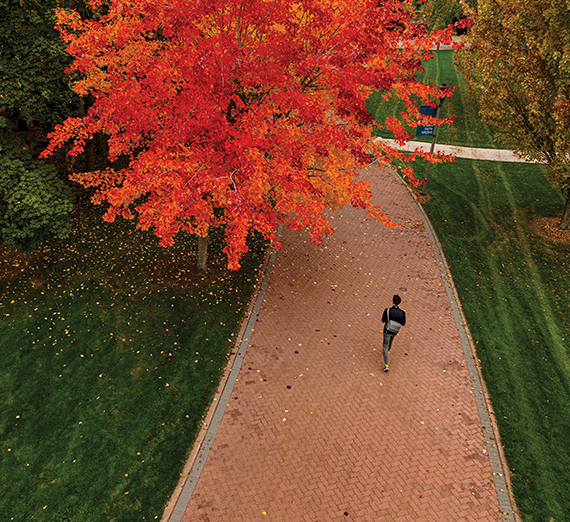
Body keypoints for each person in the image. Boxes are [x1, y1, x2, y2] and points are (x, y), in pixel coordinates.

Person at [381, 295, 406, 372]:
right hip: (395, 331)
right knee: (391, 340)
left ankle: (386, 364)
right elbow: (403, 323)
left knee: (385, 345)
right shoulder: (402, 313)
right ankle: (387, 352)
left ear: (392, 302)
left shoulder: (388, 311)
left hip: (387, 330)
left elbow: (383, 320)